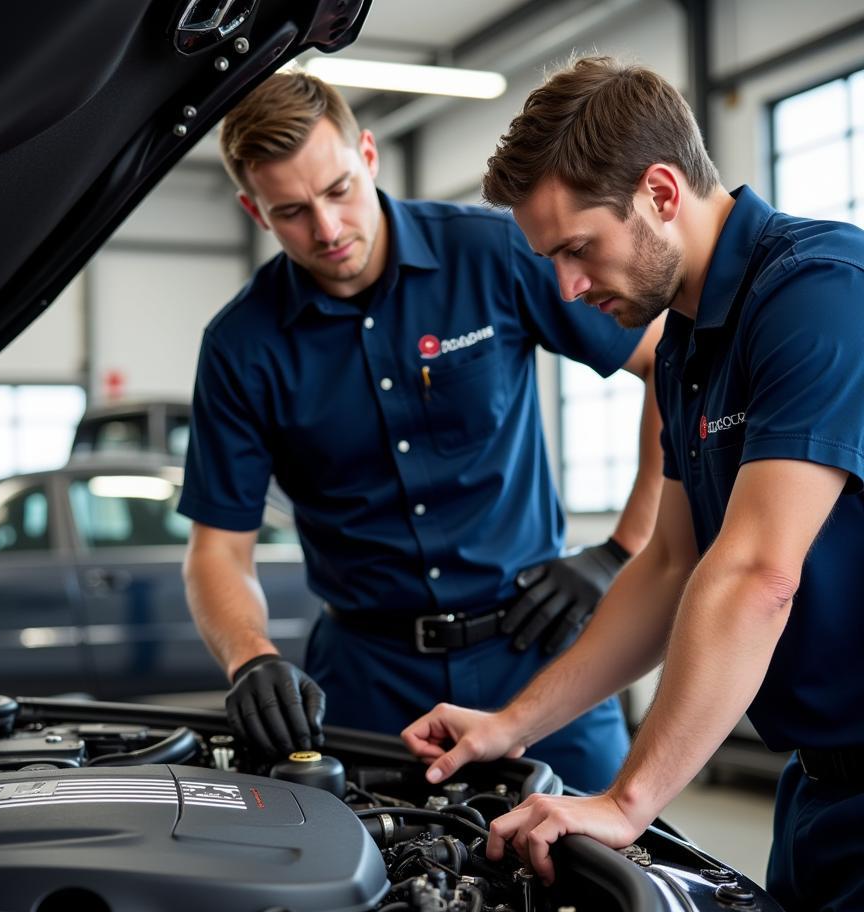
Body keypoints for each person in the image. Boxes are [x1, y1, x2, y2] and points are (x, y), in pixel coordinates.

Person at [401, 54, 864, 912]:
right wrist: (510, 725)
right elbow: (671, 567)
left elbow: (754, 574)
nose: (567, 290)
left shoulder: (822, 296)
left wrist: (627, 801)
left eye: (578, 249)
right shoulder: (687, 345)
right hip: (818, 790)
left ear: (660, 192)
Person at [180, 70, 664, 792]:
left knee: (614, 864)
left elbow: (665, 362)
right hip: (369, 681)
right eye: (292, 211)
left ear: (368, 156)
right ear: (255, 212)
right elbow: (217, 550)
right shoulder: (241, 347)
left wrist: (622, 550)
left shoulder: (494, 255)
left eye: (339, 189)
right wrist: (250, 656)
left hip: (540, 653)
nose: (328, 228)